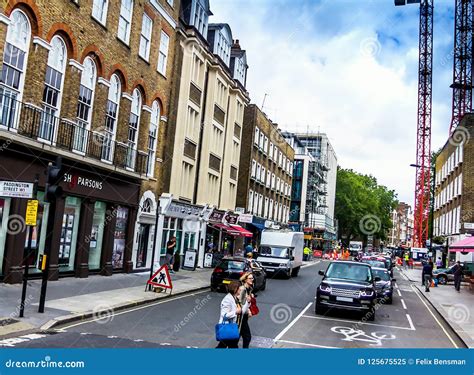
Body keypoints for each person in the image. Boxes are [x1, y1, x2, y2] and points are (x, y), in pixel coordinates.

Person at [216, 281, 247, 348]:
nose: (241, 289)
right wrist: (235, 312)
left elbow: (242, 311)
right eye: (239, 288)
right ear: (235, 289)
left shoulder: (235, 298)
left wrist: (248, 302)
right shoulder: (227, 299)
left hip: (232, 327)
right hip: (227, 327)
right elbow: (224, 314)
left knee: (223, 346)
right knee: (229, 346)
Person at [239, 272, 255, 348]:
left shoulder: (250, 289)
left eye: (252, 278)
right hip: (240, 317)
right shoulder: (242, 289)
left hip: (244, 316)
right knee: (247, 337)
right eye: (250, 278)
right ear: (245, 280)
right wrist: (248, 301)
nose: (252, 279)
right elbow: (240, 303)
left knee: (236, 337)